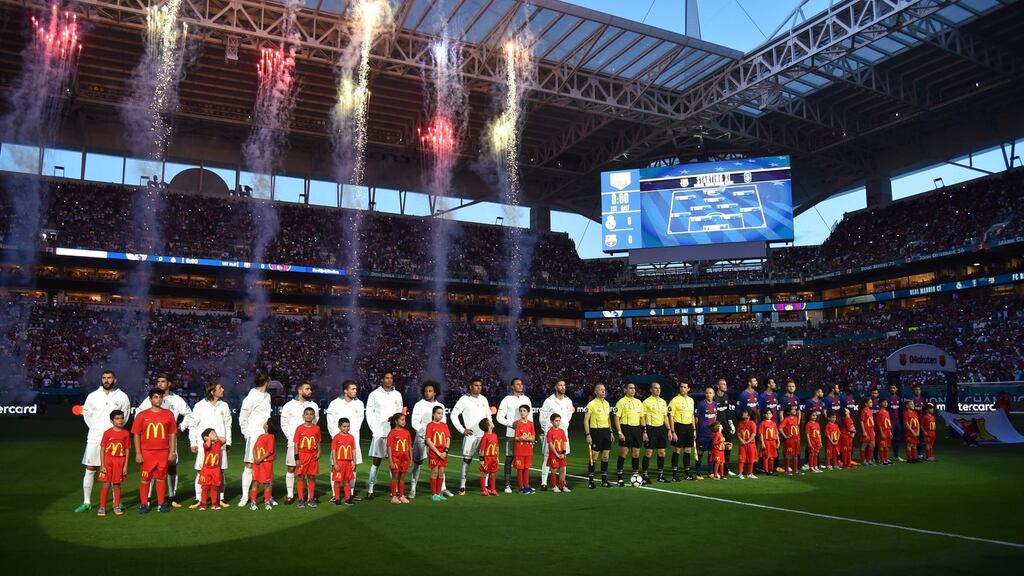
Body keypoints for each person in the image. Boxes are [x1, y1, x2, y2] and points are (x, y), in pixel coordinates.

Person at [76, 369, 131, 513]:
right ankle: (86, 502)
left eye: (109, 378)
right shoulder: (92, 396)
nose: (106, 380)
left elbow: (124, 416)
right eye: (104, 378)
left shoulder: (123, 396)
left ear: (115, 380)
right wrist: (96, 428)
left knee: (115, 472)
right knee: (90, 468)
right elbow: (87, 415)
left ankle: (116, 502)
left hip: (115, 439)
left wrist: (115, 432)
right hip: (95, 436)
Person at [137, 372, 192, 508]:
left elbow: (189, 414)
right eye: (158, 381)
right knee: (150, 470)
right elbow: (139, 413)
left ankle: (172, 497)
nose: (160, 384)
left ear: (169, 384)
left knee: (171, 468)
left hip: (169, 439)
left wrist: (180, 428)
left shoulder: (177, 400)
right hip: (153, 440)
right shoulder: (150, 399)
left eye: (162, 381)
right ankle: (148, 499)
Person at [131, 388, 177, 514]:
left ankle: (161, 504)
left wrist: (172, 451)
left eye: (160, 397)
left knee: (161, 478)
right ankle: (144, 504)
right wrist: (138, 453)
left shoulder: (168, 414)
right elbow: (136, 434)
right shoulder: (142, 415)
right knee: (145, 478)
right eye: (155, 397)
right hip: (147, 452)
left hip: (163, 452)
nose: (158, 399)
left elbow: (172, 433)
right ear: (150, 399)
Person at [189, 382, 232, 508]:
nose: (223, 389)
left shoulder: (224, 406)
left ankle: (220, 498)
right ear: (212, 392)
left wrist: (228, 442)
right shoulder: (199, 406)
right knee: (201, 471)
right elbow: (193, 425)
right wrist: (193, 442)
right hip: (205, 446)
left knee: (221, 471)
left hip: (220, 446)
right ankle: (199, 498)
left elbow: (228, 425)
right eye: (220, 388)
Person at [366, 372, 404, 500]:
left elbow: (399, 413)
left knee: (393, 462)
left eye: (391, 378)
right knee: (376, 462)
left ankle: (395, 489)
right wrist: (374, 429)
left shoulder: (397, 394)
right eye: (387, 378)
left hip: (394, 434)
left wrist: (397, 428)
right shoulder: (374, 394)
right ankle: (370, 489)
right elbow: (369, 414)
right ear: (382, 380)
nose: (389, 380)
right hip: (379, 433)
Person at [326, 380, 365, 498]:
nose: (355, 391)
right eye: (352, 389)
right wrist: (336, 436)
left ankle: (350, 493)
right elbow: (330, 421)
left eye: (355, 389)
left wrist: (353, 434)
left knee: (354, 464)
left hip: (353, 439)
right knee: (335, 465)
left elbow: (360, 420)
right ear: (345, 390)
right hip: (339, 441)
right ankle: (335, 494)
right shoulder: (334, 403)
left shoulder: (359, 403)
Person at [281, 381, 319, 504]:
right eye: (307, 389)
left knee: (309, 471)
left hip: (309, 446)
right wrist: (291, 437)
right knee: (291, 468)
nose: (310, 391)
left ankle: (309, 496)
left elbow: (315, 422)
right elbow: (284, 423)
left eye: (310, 389)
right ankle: (290, 495)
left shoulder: (313, 405)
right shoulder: (289, 405)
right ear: (300, 390)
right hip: (294, 443)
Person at [451, 378, 491, 495]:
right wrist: (462, 430)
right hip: (471, 435)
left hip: (484, 435)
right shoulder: (464, 399)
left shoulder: (484, 399)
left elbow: (488, 415)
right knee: (467, 460)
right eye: (476, 385)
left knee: (485, 461)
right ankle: (462, 486)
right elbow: (454, 414)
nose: (478, 387)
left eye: (480, 385)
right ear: (470, 387)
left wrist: (489, 430)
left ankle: (485, 486)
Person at [238, 373, 272, 507]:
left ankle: (268, 497)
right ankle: (245, 497)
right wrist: (247, 434)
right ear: (267, 382)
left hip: (266, 436)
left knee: (267, 465)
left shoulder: (268, 396)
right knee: (249, 465)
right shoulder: (250, 397)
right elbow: (242, 417)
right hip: (253, 436)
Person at [410, 380, 448, 499]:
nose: (427, 393)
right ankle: (413, 489)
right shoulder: (419, 404)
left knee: (440, 463)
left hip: (437, 440)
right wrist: (424, 433)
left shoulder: (440, 406)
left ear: (435, 392)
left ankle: (442, 489)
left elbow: (444, 422)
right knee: (418, 463)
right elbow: (414, 422)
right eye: (425, 391)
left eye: (430, 391)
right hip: (421, 437)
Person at [497, 377, 533, 493]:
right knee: (509, 458)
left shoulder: (527, 399)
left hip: (526, 437)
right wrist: (510, 424)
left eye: (521, 384)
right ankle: (507, 484)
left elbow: (530, 417)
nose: (520, 386)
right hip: (512, 434)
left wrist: (531, 436)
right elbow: (499, 417)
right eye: (517, 384)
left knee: (525, 461)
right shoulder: (507, 400)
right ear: (512, 387)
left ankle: (524, 485)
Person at [539, 379, 573, 490]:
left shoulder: (568, 401)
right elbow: (542, 418)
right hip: (551, 433)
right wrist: (547, 431)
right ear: (555, 387)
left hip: (563, 433)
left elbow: (568, 418)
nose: (563, 387)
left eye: (564, 385)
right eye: (560, 385)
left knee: (563, 457)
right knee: (547, 457)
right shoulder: (549, 401)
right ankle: (544, 483)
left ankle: (563, 483)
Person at [97, 409, 130, 517]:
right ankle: (102, 507)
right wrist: (102, 465)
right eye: (117, 419)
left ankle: (116, 506)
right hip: (108, 461)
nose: (120, 421)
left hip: (119, 462)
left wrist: (125, 466)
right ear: (111, 421)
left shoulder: (126, 434)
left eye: (121, 418)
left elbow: (127, 450)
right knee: (106, 483)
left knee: (116, 484)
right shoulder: (107, 433)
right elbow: (102, 449)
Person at [614, 382, 645, 487]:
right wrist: (619, 432)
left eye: (634, 388)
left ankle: (635, 476)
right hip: (626, 428)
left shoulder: (638, 402)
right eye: (630, 388)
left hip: (637, 429)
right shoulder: (621, 402)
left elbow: (642, 418)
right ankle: (619, 478)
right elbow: (616, 418)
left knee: (636, 454)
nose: (633, 390)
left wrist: (644, 431)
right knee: (624, 453)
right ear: (625, 390)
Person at [584, 383, 613, 488]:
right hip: (596, 432)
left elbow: (608, 418)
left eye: (604, 390)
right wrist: (588, 434)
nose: (603, 391)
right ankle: (591, 481)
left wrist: (611, 432)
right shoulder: (591, 404)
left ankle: (604, 480)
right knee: (594, 457)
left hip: (606, 432)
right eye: (600, 390)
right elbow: (586, 420)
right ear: (595, 392)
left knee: (605, 456)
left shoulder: (607, 403)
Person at [641, 381, 670, 483]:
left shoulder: (663, 402)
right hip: (650, 428)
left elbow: (665, 417)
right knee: (649, 452)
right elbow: (642, 417)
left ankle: (660, 476)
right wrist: (644, 431)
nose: (658, 390)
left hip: (661, 428)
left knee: (662, 453)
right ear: (651, 390)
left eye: (659, 388)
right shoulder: (646, 402)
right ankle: (645, 475)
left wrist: (669, 430)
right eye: (655, 388)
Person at [293, 407, 322, 508]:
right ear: (303, 416)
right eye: (307, 414)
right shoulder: (299, 428)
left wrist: (319, 451)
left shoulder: (316, 428)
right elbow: (296, 444)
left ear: (314, 416)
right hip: (302, 455)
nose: (309, 416)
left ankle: (311, 498)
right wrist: (297, 458)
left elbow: (318, 441)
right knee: (300, 477)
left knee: (312, 477)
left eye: (311, 414)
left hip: (313, 456)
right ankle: (301, 499)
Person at [668, 381, 696, 481]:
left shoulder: (691, 400)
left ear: (688, 389)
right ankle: (674, 474)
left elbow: (692, 415)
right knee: (677, 449)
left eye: (685, 387)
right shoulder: (674, 400)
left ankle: (687, 474)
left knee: (688, 450)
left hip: (689, 427)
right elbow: (670, 416)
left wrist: (694, 429)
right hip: (678, 426)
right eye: (681, 387)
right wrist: (673, 431)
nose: (682, 388)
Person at [424, 406, 450, 502]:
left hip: (443, 453)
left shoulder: (444, 425)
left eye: (441, 413)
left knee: (441, 472)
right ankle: (434, 494)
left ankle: (439, 493)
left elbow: (448, 439)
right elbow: (428, 440)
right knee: (434, 471)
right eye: (438, 413)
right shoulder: (430, 425)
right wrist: (438, 452)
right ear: (433, 414)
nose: (440, 415)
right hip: (434, 453)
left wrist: (445, 451)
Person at [330, 417, 357, 506]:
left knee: (346, 481)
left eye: (348, 426)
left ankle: (347, 498)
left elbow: (353, 450)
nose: (346, 428)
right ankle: (337, 499)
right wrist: (335, 463)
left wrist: (354, 462)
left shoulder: (351, 437)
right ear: (339, 427)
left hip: (348, 463)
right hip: (339, 462)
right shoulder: (336, 437)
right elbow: (333, 451)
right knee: (337, 481)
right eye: (344, 426)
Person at [250, 420, 276, 510]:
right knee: (255, 482)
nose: (264, 424)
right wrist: (255, 459)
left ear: (267, 426)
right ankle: (253, 502)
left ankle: (267, 501)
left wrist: (260, 459)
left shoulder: (271, 437)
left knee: (267, 483)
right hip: (257, 464)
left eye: (265, 423)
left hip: (266, 463)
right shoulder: (260, 436)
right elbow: (254, 448)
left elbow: (270, 451)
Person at [386, 412, 412, 504]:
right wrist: (391, 461)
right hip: (395, 459)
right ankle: (394, 496)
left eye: (404, 420)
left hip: (404, 459)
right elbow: (389, 447)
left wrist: (411, 458)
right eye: (402, 420)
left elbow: (409, 446)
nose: (404, 422)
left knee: (402, 478)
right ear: (396, 421)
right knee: (395, 477)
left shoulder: (407, 432)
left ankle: (401, 495)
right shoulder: (392, 433)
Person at [197, 429, 225, 511]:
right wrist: (208, 439)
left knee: (214, 487)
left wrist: (215, 437)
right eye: (212, 433)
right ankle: (203, 504)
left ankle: (214, 503)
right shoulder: (205, 444)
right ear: (206, 437)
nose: (215, 434)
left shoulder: (218, 443)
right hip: (206, 470)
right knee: (205, 487)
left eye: (215, 432)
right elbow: (208, 446)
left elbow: (224, 439)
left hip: (216, 469)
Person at [714, 379, 736, 475]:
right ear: (718, 386)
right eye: (723, 384)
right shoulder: (714, 397)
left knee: (728, 446)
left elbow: (728, 413)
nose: (725, 386)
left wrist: (731, 424)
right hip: (717, 427)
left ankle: (726, 469)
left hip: (725, 425)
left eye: (726, 384)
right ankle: (715, 469)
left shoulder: (726, 396)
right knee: (717, 448)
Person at [512, 405, 536, 494]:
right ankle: (521, 487)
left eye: (524, 411)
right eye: (521, 411)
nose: (522, 412)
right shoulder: (518, 423)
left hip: (528, 450)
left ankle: (526, 486)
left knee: (526, 468)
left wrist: (524, 438)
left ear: (528, 412)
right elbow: (516, 438)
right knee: (520, 469)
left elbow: (533, 437)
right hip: (519, 450)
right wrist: (526, 438)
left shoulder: (530, 423)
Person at [695, 386, 718, 477]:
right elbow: (696, 417)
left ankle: (710, 472)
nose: (709, 395)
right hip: (702, 433)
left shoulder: (715, 405)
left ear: (713, 394)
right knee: (700, 453)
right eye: (707, 393)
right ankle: (698, 472)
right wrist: (696, 429)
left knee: (711, 452)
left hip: (712, 434)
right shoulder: (701, 404)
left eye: (710, 393)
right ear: (705, 394)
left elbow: (715, 418)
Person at [546, 414, 568, 492]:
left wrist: (563, 453)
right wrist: (557, 454)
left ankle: (562, 486)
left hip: (561, 453)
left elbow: (565, 442)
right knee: (554, 470)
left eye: (559, 420)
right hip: (554, 454)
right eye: (556, 421)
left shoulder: (562, 431)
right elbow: (551, 445)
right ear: (552, 421)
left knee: (562, 470)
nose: (558, 422)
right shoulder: (550, 432)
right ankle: (554, 486)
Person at [479, 417, 500, 496]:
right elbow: (482, 449)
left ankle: (493, 489)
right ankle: (483, 490)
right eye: (490, 422)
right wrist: (482, 460)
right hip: (487, 458)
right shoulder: (485, 436)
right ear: (488, 426)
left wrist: (497, 457)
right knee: (484, 473)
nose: (492, 422)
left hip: (493, 458)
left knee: (493, 473)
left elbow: (497, 447)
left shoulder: (495, 435)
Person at [735, 410, 757, 479]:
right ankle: (740, 473)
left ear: (749, 416)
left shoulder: (752, 423)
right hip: (742, 444)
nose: (743, 413)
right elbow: (738, 433)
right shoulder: (740, 423)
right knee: (741, 459)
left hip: (751, 444)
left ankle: (750, 473)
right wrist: (741, 440)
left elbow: (753, 434)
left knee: (751, 459)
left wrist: (747, 441)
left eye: (745, 413)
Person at [779, 405, 801, 475]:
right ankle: (786, 470)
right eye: (792, 409)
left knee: (795, 454)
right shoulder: (786, 419)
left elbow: (797, 428)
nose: (794, 410)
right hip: (790, 440)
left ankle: (795, 470)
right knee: (788, 455)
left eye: (795, 409)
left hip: (796, 440)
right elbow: (780, 428)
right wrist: (785, 436)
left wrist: (799, 436)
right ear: (788, 412)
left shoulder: (796, 418)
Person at [886, 384, 904, 462]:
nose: (892, 389)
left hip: (897, 423)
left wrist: (901, 422)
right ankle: (886, 457)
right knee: (888, 439)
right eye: (891, 388)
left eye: (894, 388)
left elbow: (900, 411)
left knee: (897, 439)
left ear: (896, 389)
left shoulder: (898, 399)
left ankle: (896, 456)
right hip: (890, 423)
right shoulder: (887, 399)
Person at [759, 410, 779, 475]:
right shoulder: (763, 423)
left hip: (773, 442)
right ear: (764, 415)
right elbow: (761, 434)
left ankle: (771, 470)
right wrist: (762, 442)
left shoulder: (774, 423)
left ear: (772, 415)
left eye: (770, 413)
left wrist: (778, 441)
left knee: (772, 457)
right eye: (767, 413)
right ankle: (766, 470)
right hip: (766, 441)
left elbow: (776, 433)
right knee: (766, 456)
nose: (768, 415)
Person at [859, 398, 876, 466]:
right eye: (870, 402)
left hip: (871, 430)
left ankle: (868, 460)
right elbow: (862, 421)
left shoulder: (870, 411)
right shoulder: (864, 411)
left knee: (872, 445)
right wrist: (863, 431)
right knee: (864, 445)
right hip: (866, 430)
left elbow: (872, 422)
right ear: (866, 404)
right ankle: (863, 460)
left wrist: (873, 430)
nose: (871, 404)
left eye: (871, 402)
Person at [876, 399, 893, 465]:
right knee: (882, 446)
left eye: (886, 402)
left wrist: (890, 432)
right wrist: (881, 432)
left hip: (888, 431)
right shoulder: (879, 412)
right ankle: (882, 459)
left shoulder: (887, 412)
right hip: (883, 431)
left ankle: (886, 458)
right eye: (884, 402)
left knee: (887, 446)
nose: (886, 403)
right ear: (880, 404)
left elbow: (888, 423)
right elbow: (879, 423)